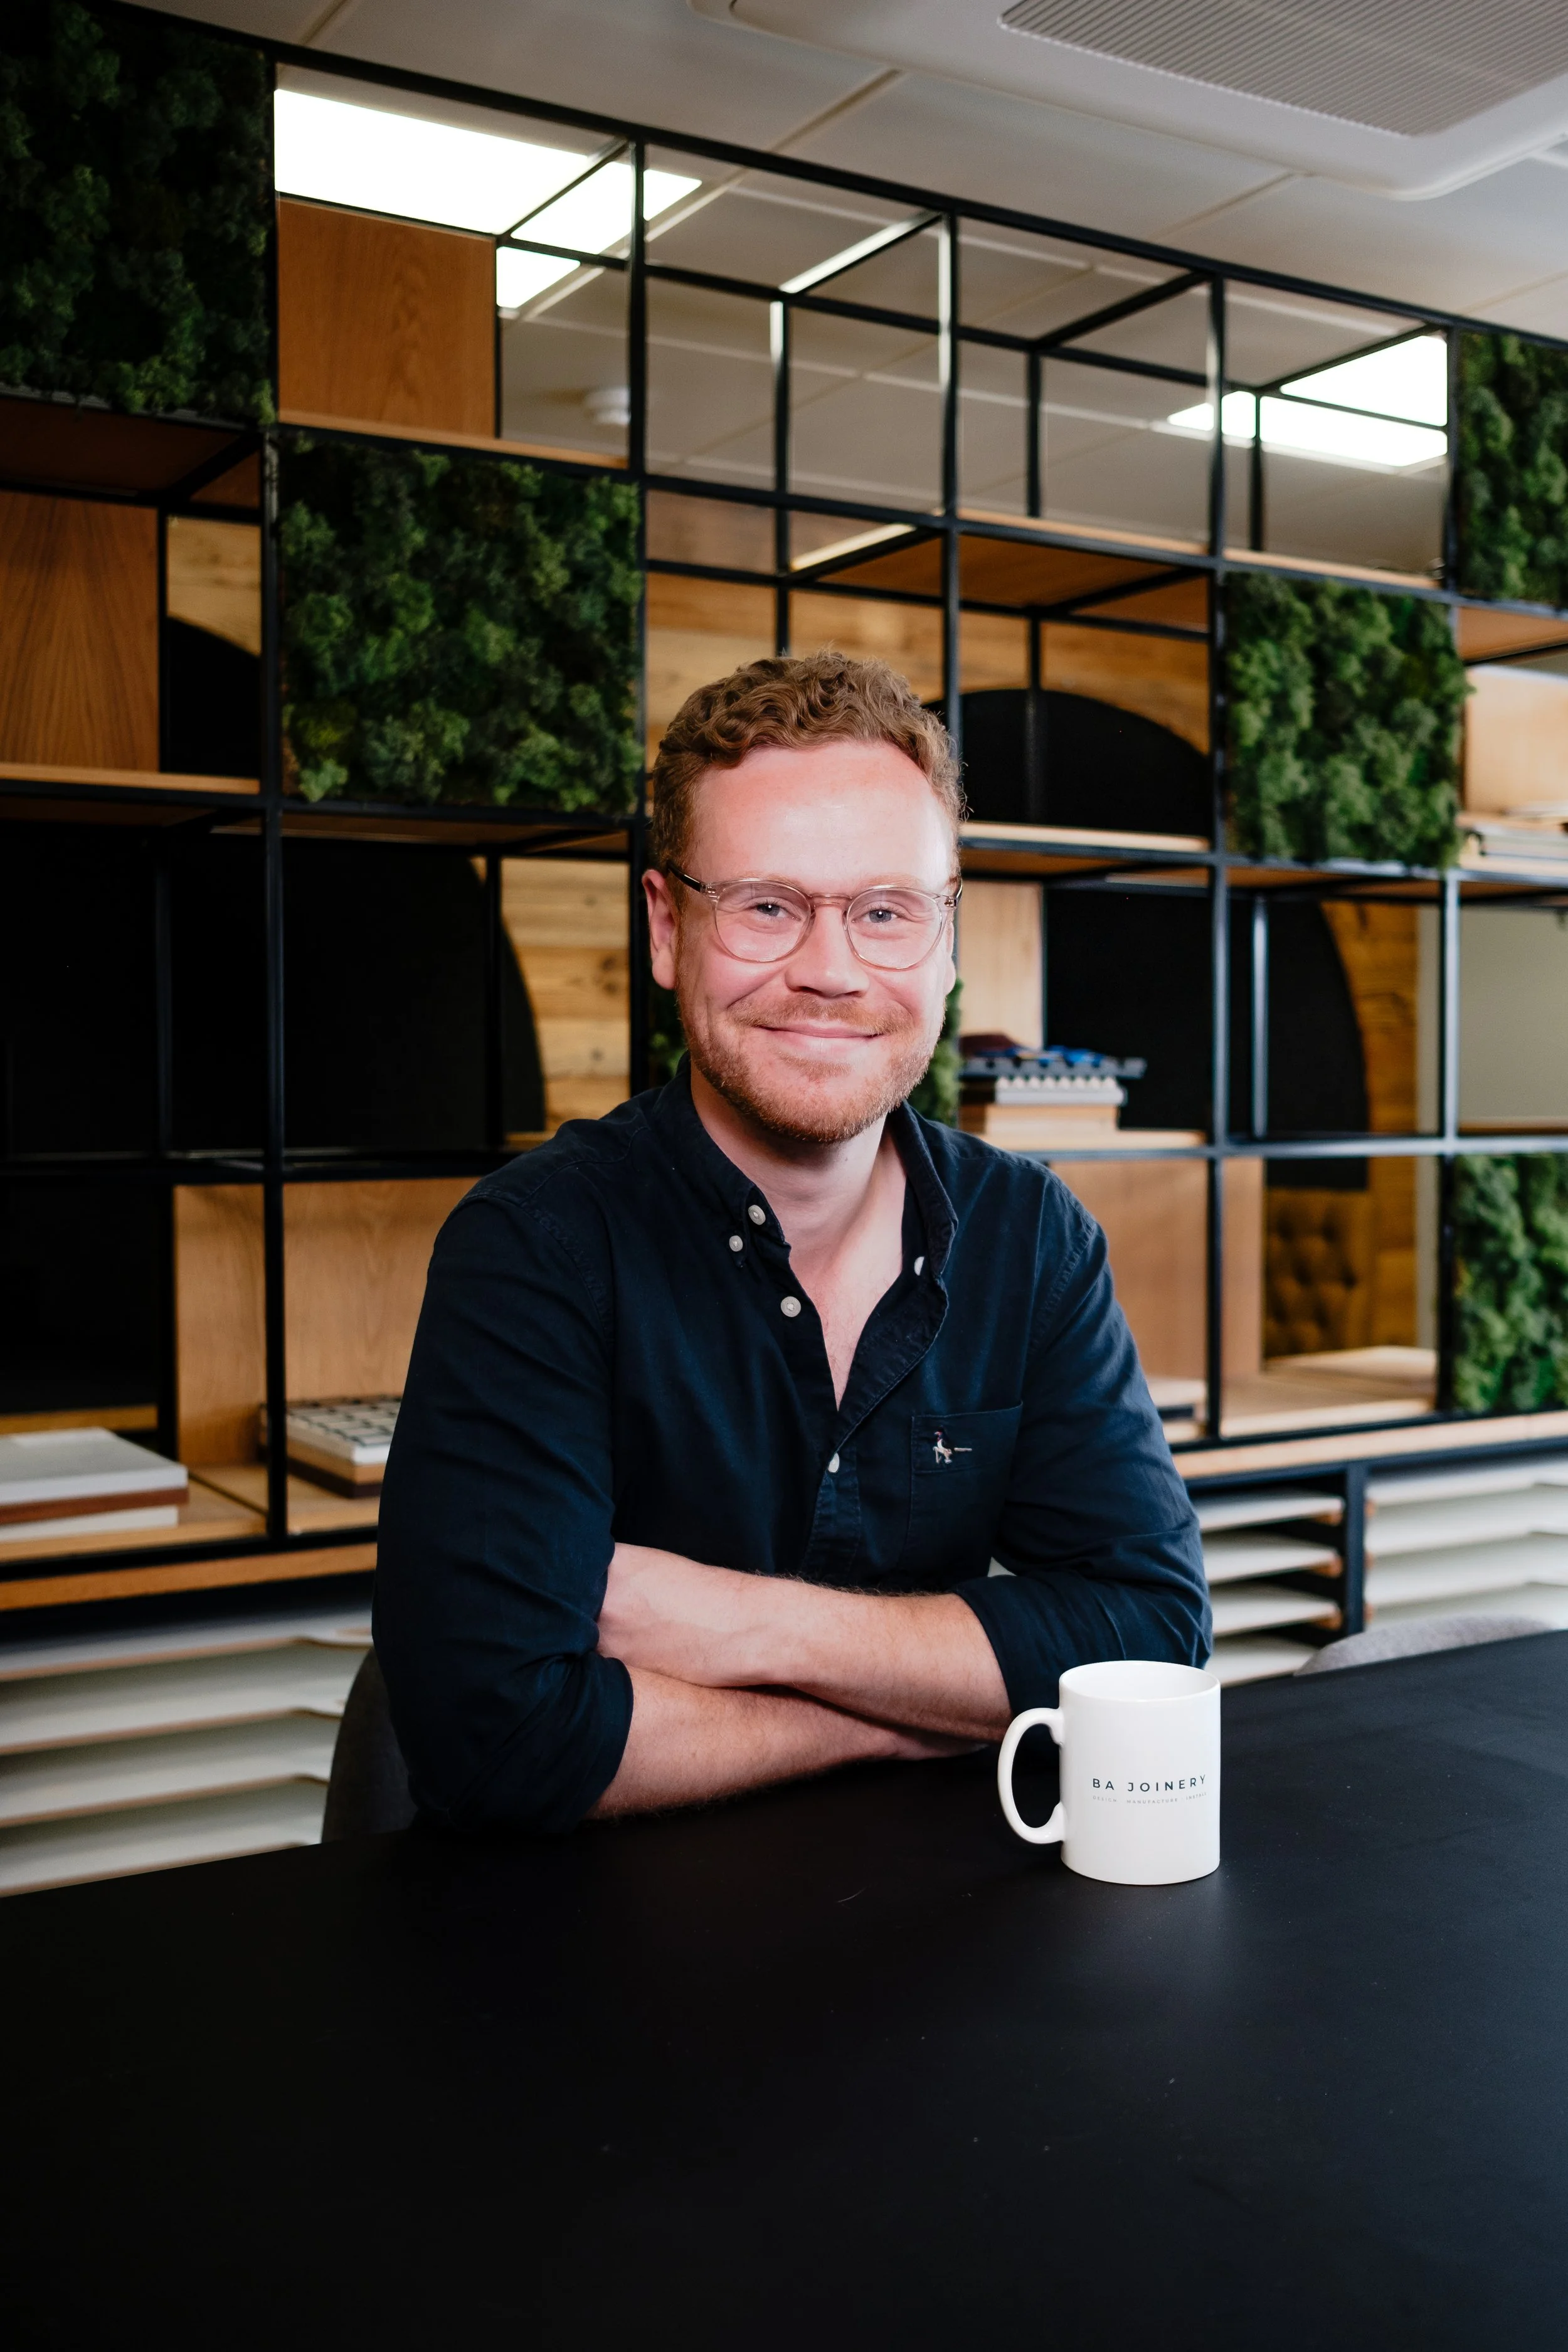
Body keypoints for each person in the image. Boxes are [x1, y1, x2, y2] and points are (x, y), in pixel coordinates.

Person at [374, 650, 1208, 1832]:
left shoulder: (1034, 1240)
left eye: (885, 911)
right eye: (767, 904)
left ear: (946, 939)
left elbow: (1152, 1639)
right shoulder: (534, 1249)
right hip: (591, 1977)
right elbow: (495, 1737)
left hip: (952, 1963)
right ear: (668, 929)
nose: (829, 968)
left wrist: (737, 1625)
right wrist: (922, 1706)